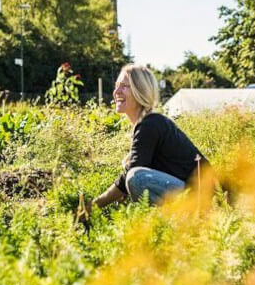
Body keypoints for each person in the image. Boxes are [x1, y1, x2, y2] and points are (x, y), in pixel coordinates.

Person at [89, 64, 207, 212]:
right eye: (116, 86)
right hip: (189, 193)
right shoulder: (149, 123)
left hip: (201, 198)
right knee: (129, 168)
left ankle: (183, 221)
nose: (116, 91)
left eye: (124, 86)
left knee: (136, 178)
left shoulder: (150, 124)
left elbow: (128, 177)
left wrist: (91, 207)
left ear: (140, 91)